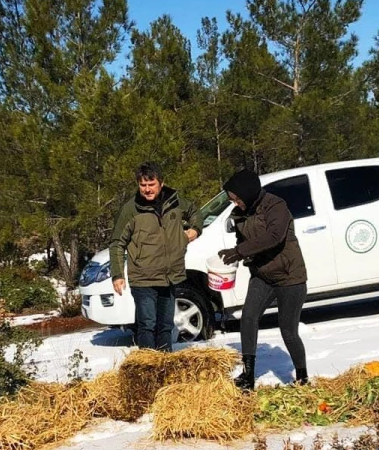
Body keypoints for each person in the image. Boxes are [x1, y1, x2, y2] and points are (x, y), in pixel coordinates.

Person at [217, 168, 309, 389]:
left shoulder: (276, 205)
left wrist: (240, 251)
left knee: (288, 330)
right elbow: (244, 242)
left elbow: (274, 237)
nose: (235, 203)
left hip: (289, 276)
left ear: (247, 193)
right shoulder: (239, 213)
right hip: (262, 275)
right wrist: (234, 256)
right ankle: (248, 375)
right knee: (248, 318)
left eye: (236, 198)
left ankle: (302, 376)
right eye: (232, 199)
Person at [110, 162, 201, 351]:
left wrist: (194, 230)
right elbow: (117, 242)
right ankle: (148, 369)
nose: (147, 189)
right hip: (143, 279)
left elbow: (195, 212)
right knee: (147, 325)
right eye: (143, 185)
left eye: (151, 184)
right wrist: (117, 274)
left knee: (166, 326)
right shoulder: (131, 209)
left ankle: (164, 365)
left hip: (170, 276)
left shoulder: (175, 201)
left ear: (161, 183)